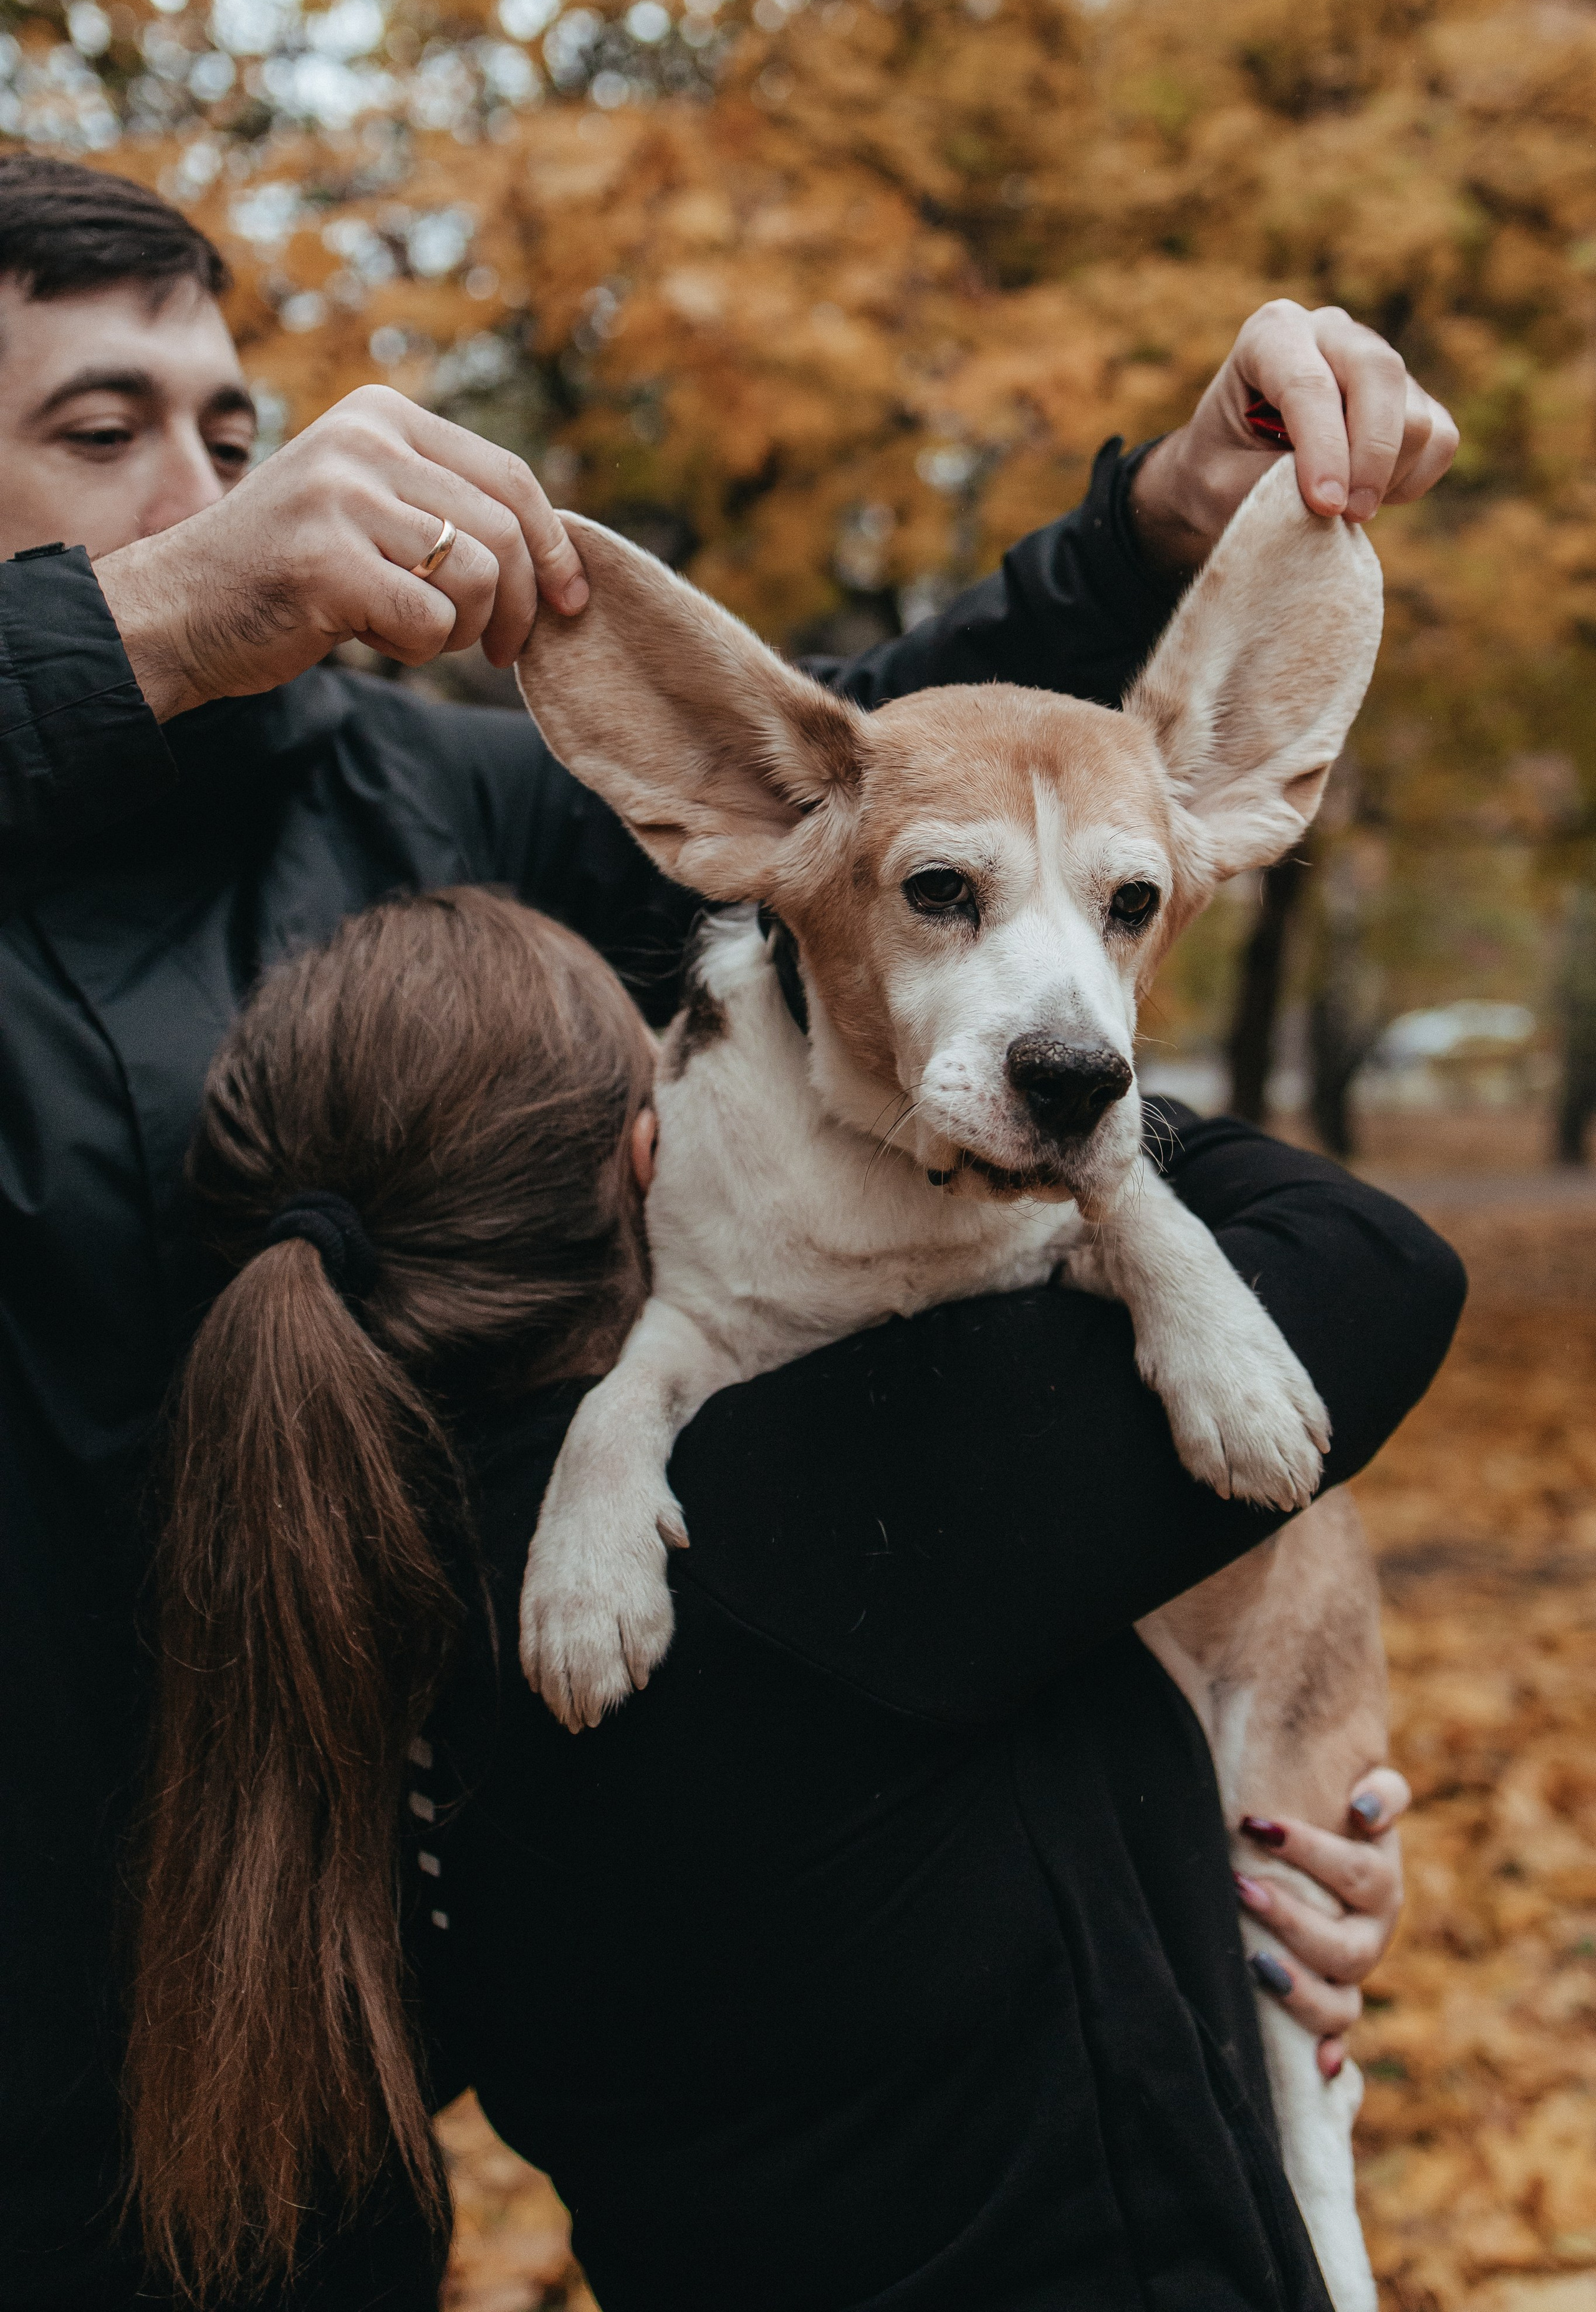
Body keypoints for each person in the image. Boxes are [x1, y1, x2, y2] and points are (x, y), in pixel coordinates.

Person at [0, 147, 1456, 2308]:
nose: (212, 482)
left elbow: (846, 785)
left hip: (380, 1992)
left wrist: (1145, 536)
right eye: (99, 433)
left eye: (235, 425)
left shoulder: (409, 785)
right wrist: (130, 636)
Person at [126, 888, 1464, 2311]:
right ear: (647, 1149)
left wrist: (1214, 1886)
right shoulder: (841, 1503)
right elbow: (1369, 1264)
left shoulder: (321, 1602)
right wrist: (1048, 1015)